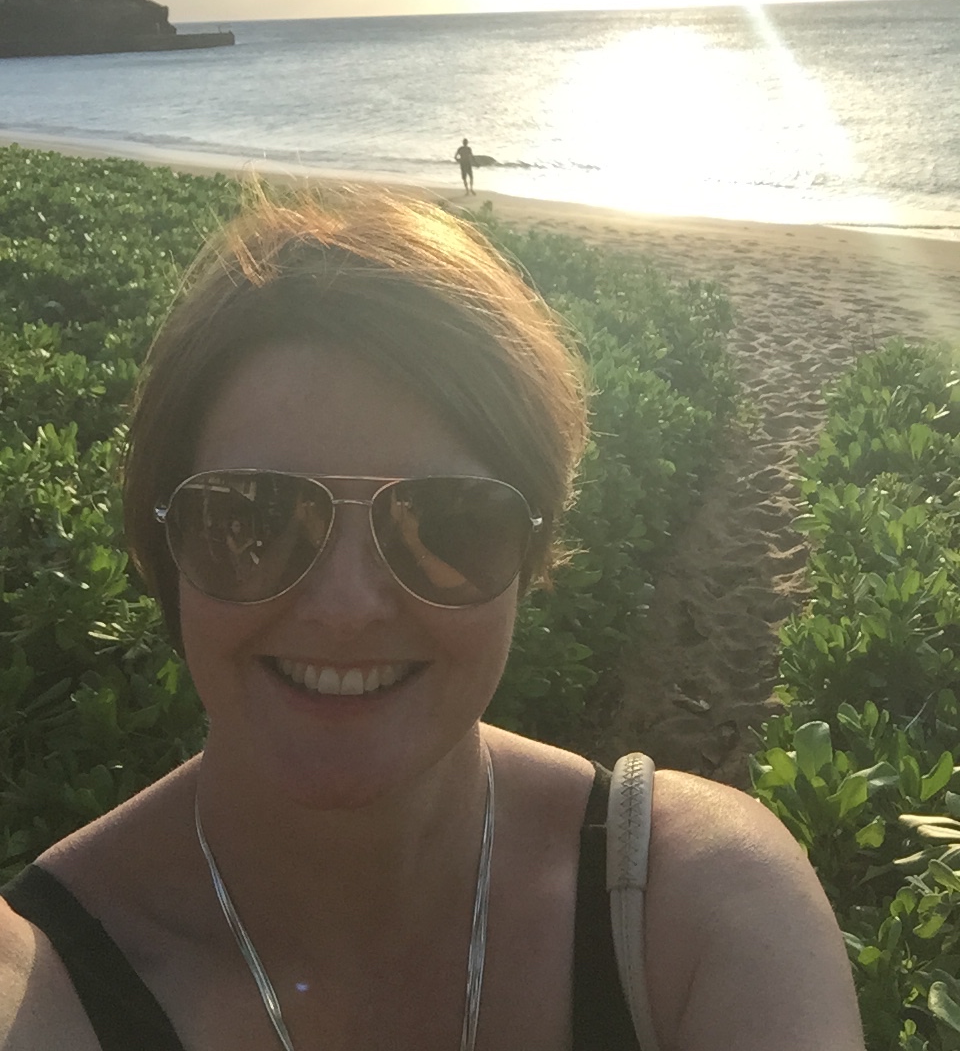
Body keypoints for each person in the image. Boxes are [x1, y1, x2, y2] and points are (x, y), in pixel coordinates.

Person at [0, 191, 865, 1050]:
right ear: (163, 542)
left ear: (531, 553)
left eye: (449, 523)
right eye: (253, 517)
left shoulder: (697, 907)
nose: (345, 608)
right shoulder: (40, 980)